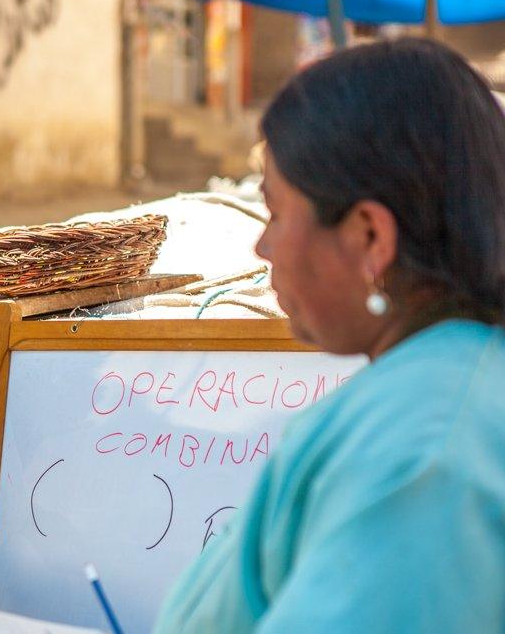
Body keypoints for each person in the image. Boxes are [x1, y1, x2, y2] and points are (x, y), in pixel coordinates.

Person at [155, 38, 505, 633]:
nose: (262, 246)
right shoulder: (444, 393)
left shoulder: (422, 458)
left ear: (370, 236)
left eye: (275, 212)